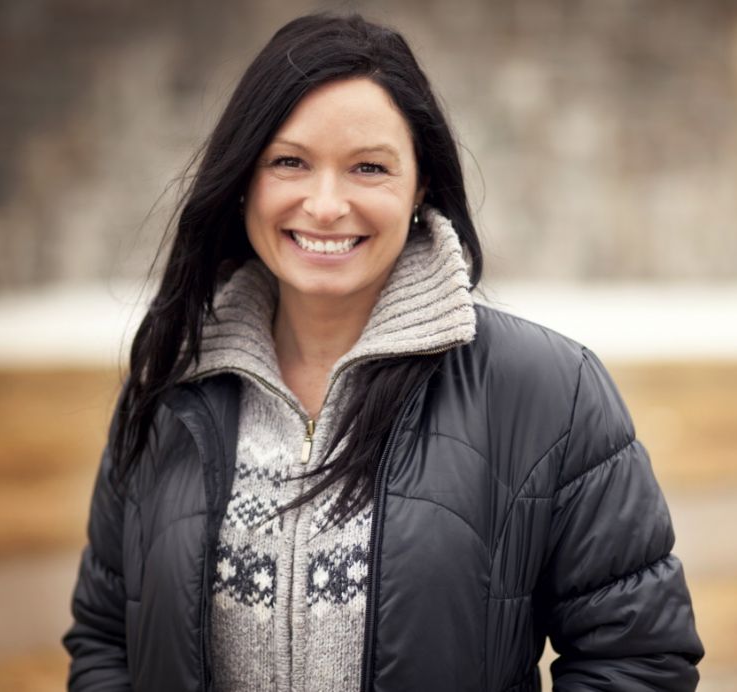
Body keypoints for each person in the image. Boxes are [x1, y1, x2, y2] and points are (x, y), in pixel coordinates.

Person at [63, 12, 703, 692]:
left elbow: (636, 660)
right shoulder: (169, 386)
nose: (327, 203)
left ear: (420, 184)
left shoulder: (549, 391)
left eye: (368, 167)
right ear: (244, 175)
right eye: (289, 161)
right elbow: (108, 641)